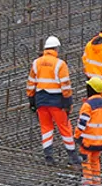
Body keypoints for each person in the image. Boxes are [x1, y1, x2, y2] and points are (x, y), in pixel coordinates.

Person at [26, 36, 81, 166]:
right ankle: (73, 157)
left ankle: (48, 157)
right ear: (56, 49)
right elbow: (65, 86)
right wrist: (68, 103)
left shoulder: (36, 63)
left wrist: (32, 101)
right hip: (57, 101)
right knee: (65, 127)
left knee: (46, 128)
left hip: (40, 100)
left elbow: (30, 84)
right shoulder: (60, 64)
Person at [76, 77, 102, 186]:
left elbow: (82, 122)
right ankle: (97, 181)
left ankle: (87, 184)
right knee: (95, 160)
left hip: (88, 140)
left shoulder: (88, 105)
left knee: (86, 161)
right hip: (101, 140)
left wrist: (76, 135)